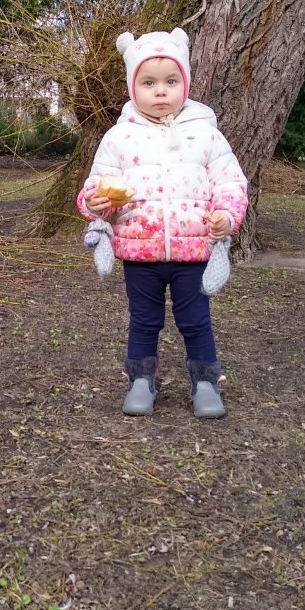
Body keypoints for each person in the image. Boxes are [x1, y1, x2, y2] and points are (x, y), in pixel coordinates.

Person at [78, 28, 248, 420]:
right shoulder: (119, 137)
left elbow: (230, 183)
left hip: (193, 251)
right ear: (132, 87)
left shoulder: (206, 134)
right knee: (144, 320)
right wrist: (94, 202)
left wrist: (226, 216)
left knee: (196, 321)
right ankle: (140, 380)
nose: (160, 91)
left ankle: (205, 382)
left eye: (171, 82)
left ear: (184, 83)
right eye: (149, 83)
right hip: (140, 251)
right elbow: (96, 185)